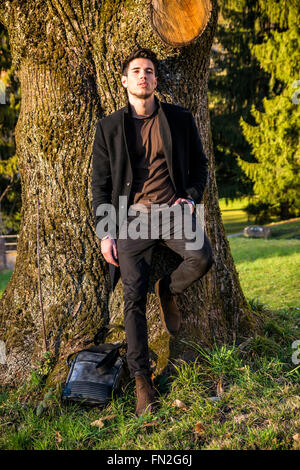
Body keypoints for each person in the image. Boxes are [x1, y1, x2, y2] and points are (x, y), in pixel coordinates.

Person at [91, 48, 214, 416]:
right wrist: (105, 232)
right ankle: (142, 380)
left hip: (173, 212)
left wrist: (190, 199)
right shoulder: (109, 127)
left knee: (202, 257)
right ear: (125, 81)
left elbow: (201, 167)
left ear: (156, 80)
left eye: (149, 71)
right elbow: (100, 185)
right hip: (132, 219)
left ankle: (168, 288)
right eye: (136, 71)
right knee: (132, 299)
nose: (143, 76)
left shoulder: (178, 118)